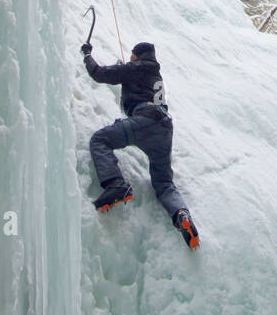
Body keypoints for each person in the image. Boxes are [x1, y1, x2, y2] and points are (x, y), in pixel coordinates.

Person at [82, 39, 199, 249]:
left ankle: (116, 184)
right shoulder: (155, 74)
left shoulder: (137, 67)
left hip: (145, 122)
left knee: (100, 140)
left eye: (131, 56)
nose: (130, 58)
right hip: (164, 130)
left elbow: (99, 74)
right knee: (163, 184)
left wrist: (87, 56)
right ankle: (181, 214)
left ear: (136, 55)